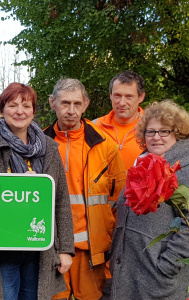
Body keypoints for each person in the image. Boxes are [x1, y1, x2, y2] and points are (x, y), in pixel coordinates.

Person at [0, 82, 75, 300]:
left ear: (34, 111)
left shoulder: (49, 148)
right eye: (12, 105)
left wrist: (65, 249)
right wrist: (16, 186)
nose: (20, 111)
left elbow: (61, 201)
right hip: (1, 249)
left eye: (26, 105)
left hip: (39, 250)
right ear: (2, 109)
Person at [107, 100, 189, 299]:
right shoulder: (142, 166)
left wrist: (166, 268)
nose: (156, 137)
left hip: (162, 283)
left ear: (178, 134)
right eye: (150, 131)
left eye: (164, 131)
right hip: (130, 276)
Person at [43, 78, 126, 300]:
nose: (71, 110)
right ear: (52, 103)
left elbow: (119, 200)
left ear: (86, 104)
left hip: (91, 250)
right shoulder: (39, 144)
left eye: (77, 104)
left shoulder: (104, 145)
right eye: (65, 103)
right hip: (50, 246)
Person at [93, 71, 147, 169]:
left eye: (129, 97)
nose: (122, 103)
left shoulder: (153, 130)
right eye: (117, 95)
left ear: (141, 97)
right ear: (110, 96)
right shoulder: (94, 127)